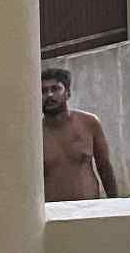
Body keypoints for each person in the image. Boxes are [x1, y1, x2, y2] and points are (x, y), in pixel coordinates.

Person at [40, 66, 118, 202]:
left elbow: (104, 167)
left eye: (55, 89)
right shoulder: (34, 135)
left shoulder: (89, 123)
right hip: (52, 212)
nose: (50, 95)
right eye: (43, 91)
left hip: (89, 209)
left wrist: (115, 204)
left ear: (68, 93)